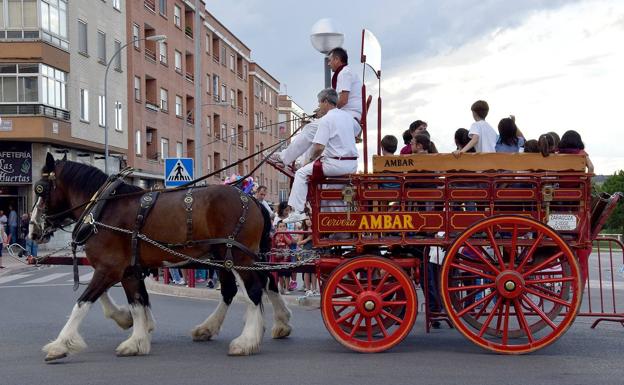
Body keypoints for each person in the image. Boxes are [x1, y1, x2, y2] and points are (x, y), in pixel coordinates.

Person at [284, 88, 358, 223]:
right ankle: (341, 229)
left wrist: (310, 161)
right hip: (352, 164)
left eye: (319, 103)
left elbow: (318, 147)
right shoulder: (347, 117)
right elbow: (358, 131)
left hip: (336, 165)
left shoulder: (327, 119)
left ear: (325, 102)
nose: (319, 107)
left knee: (301, 173)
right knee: (331, 193)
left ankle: (298, 211)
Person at [327, 47, 363, 121]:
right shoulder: (346, 72)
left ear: (336, 59)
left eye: (330, 61)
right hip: (349, 114)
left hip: (349, 114)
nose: (328, 64)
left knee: (310, 127)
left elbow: (343, 100)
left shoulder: (344, 73)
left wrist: (327, 110)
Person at [273, 221, 295, 294]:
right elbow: (274, 244)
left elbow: (290, 242)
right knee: (280, 274)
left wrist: (284, 235)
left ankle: (287, 288)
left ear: (286, 227)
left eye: (284, 226)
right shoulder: (276, 235)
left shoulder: (288, 235)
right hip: (279, 258)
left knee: (287, 274)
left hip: (286, 258)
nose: (282, 228)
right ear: (277, 228)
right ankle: (281, 288)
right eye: (280, 226)